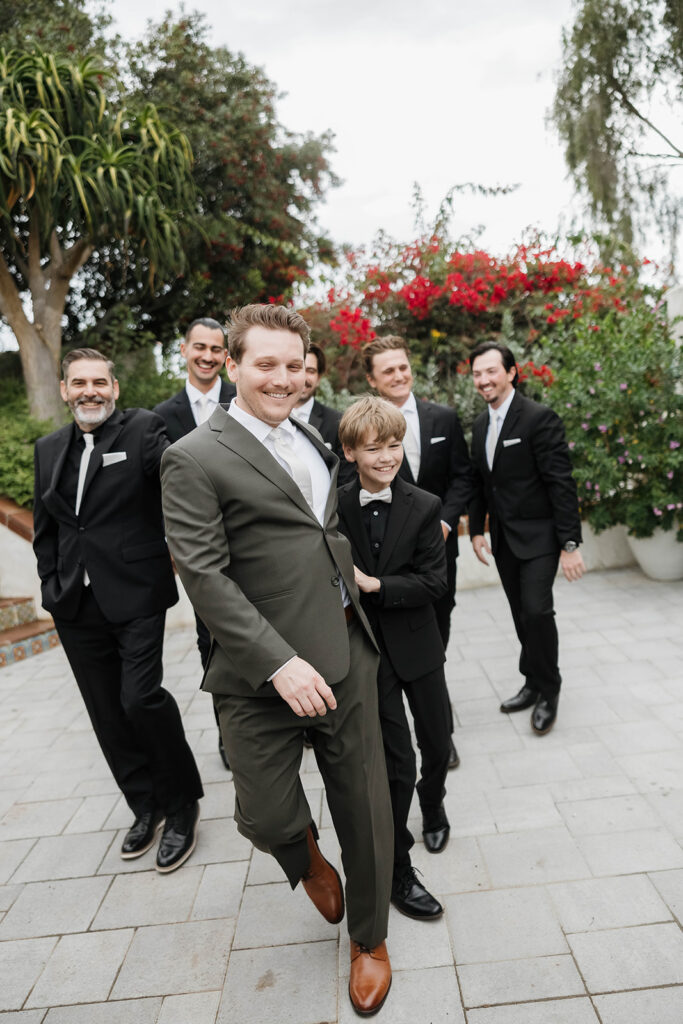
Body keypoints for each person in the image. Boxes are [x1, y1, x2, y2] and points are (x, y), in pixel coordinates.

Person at [160, 304, 393, 1017]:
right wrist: (278, 663)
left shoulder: (313, 437)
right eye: (266, 363)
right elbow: (202, 576)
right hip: (260, 672)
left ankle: (369, 939)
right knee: (262, 813)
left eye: (294, 365)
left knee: (366, 808)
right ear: (230, 365)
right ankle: (306, 859)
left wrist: (346, 576)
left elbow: (317, 529)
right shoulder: (193, 456)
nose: (283, 377)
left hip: (345, 650)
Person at [33, 348, 203, 872]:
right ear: (64, 390)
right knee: (106, 712)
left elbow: (179, 476)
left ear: (115, 388)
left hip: (136, 592)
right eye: (79, 383)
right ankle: (143, 804)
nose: (90, 391)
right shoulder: (48, 447)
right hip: (75, 602)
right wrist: (49, 584)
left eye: (99, 382)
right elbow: (48, 527)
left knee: (140, 698)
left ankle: (181, 806)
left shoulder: (144, 431)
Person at [337, 396, 451, 923]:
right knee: (394, 761)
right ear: (350, 452)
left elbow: (434, 582)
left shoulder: (426, 506)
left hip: (419, 644)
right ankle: (399, 865)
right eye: (374, 448)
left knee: (436, 739)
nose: (386, 457)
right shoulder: (334, 506)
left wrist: (376, 584)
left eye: (394, 445)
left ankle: (434, 804)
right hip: (370, 653)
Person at [363, 334, 472, 770]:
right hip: (386, 564)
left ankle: (437, 731)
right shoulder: (364, 429)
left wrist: (444, 522)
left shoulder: (442, 418)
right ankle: (404, 736)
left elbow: (463, 477)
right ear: (373, 380)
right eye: (388, 370)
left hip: (438, 555)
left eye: (403, 366)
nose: (399, 375)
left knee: (436, 640)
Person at [468, 341, 585, 735]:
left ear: (512, 372)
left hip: (540, 538)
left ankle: (550, 690)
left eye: (491, 371)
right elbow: (482, 482)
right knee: (522, 617)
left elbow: (561, 483)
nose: (484, 380)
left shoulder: (539, 418)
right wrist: (478, 528)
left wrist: (569, 544)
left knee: (537, 611)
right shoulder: (481, 423)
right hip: (503, 539)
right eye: (477, 374)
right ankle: (532, 682)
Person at [154, 317, 236, 769]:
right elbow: (159, 487)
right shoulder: (160, 417)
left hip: (250, 539)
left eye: (215, 349)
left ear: (227, 356)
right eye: (198, 347)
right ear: (184, 350)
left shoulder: (243, 402)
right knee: (213, 641)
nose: (206, 356)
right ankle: (230, 731)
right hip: (200, 552)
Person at [292, 342, 353, 484]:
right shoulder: (269, 417)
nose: (304, 378)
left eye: (311, 371)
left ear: (319, 378)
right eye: (298, 368)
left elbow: (345, 481)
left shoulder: (338, 422)